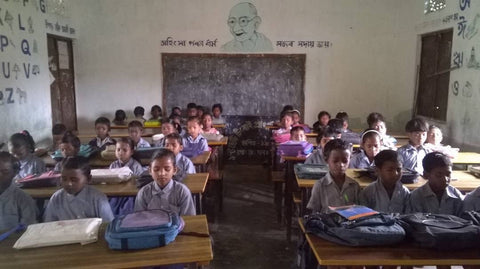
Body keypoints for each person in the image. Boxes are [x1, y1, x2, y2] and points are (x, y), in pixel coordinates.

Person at [43, 156, 114, 222]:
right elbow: (49, 224)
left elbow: (107, 225)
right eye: (64, 179)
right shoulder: (56, 198)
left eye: (74, 180)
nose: (68, 183)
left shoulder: (98, 198)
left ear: (88, 179)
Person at [134, 149, 196, 216]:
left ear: (174, 170)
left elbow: (188, 220)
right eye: (156, 169)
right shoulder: (143, 193)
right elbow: (139, 220)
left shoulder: (182, 191)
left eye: (167, 169)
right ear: (150, 171)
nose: (161, 173)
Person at [306, 139, 360, 213]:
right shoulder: (320, 185)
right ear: (326, 160)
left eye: (345, 161)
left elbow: (359, 210)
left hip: (349, 223)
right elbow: (314, 212)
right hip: (327, 224)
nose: (341, 165)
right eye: (335, 161)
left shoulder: (354, 186)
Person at [408, 152, 464, 216]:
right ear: (426, 175)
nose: (445, 179)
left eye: (448, 174)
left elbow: (462, 221)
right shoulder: (416, 196)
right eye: (439, 175)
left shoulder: (456, 195)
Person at [0, 151, 37, 230]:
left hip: (14, 241)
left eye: (5, 171)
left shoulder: (23, 199)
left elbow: (28, 229)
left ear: (14, 173)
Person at [109, 137, 145, 216]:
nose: (120, 153)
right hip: (116, 194)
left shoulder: (136, 166)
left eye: (124, 150)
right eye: (118, 150)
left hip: (130, 195)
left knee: (126, 211)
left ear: (131, 152)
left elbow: (140, 183)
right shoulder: (113, 165)